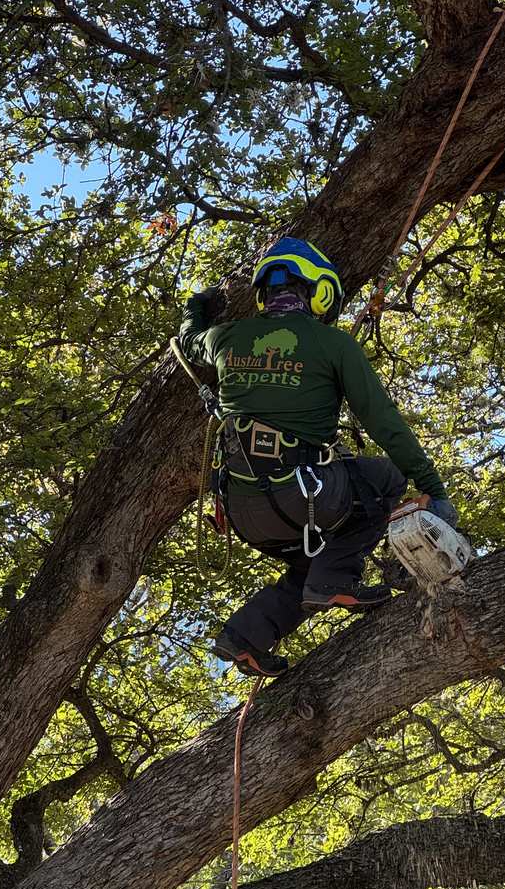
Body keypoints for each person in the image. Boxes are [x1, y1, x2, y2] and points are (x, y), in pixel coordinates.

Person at [179, 237, 458, 677]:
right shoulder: (333, 344)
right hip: (300, 495)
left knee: (313, 564)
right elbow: (383, 424)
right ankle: (334, 583)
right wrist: (434, 489)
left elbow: (189, 339)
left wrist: (197, 306)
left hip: (241, 511)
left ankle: (246, 637)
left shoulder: (226, 337)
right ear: (316, 290)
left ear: (263, 293)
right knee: (383, 480)